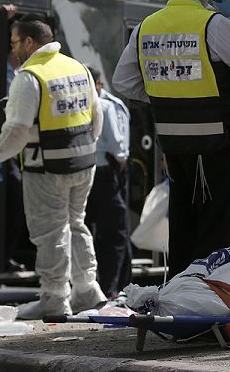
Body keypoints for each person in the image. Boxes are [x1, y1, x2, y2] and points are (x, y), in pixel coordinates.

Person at [112, 0, 230, 277]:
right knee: (217, 226)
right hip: (218, 145)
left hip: (175, 148)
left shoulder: (145, 28)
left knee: (182, 223)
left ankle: (179, 301)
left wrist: (165, 96)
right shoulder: (212, 24)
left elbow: (122, 81)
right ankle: (209, 303)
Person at [0, 17, 106, 318]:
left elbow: (17, 128)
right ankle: (87, 291)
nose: (14, 50)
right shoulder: (77, 67)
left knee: (50, 231)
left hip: (47, 167)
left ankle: (54, 298)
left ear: (30, 42)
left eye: (15, 43)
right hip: (83, 162)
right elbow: (96, 118)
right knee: (76, 223)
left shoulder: (30, 76)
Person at [84, 66, 132, 298]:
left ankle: (95, 285)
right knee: (114, 233)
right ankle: (110, 289)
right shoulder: (104, 105)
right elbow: (117, 144)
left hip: (82, 173)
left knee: (86, 230)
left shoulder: (78, 102)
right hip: (106, 173)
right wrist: (122, 159)